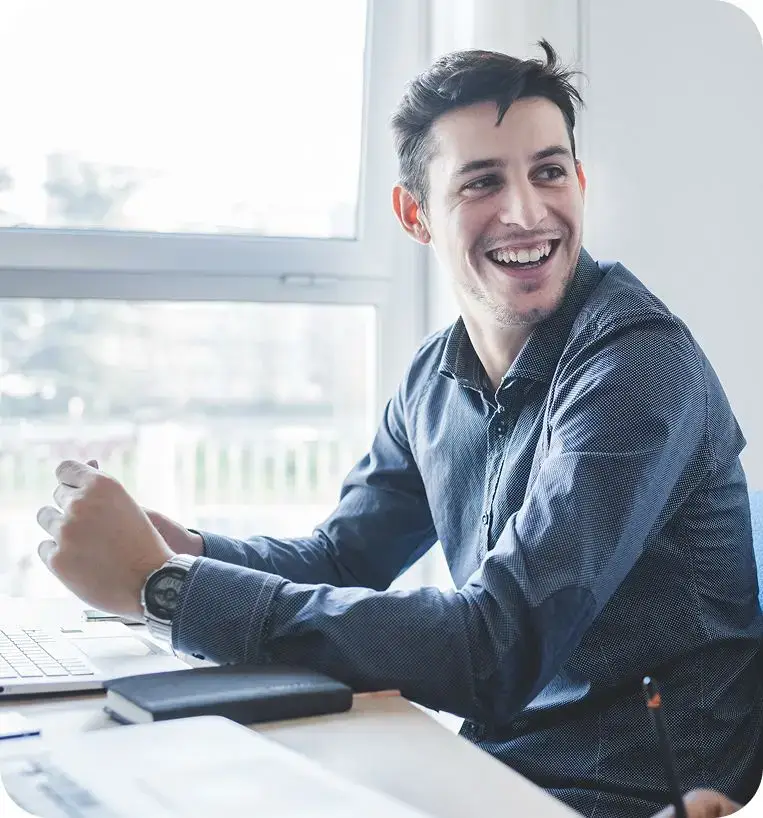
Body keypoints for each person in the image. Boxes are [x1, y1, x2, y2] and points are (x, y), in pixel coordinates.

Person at [36, 41, 762, 818]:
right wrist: (188, 552)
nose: (526, 211)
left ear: (579, 185)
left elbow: (496, 647)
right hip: (493, 766)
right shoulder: (433, 377)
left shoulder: (637, 364)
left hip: (628, 792)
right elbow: (342, 559)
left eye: (548, 172)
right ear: (415, 214)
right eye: (481, 181)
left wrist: (165, 589)